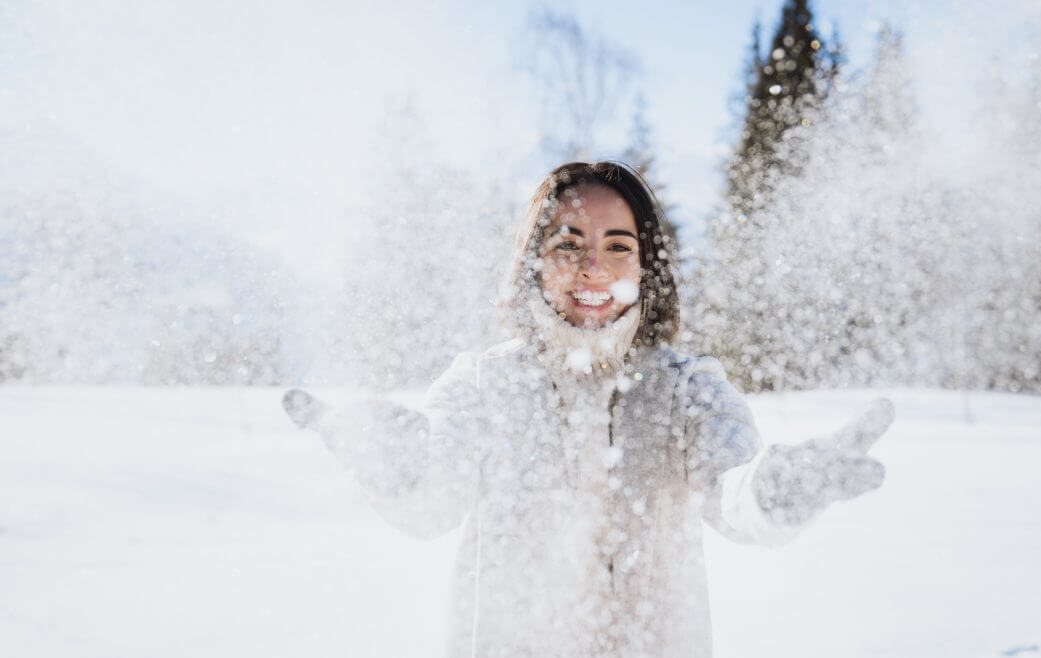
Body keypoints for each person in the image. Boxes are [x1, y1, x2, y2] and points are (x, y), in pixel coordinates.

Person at [282, 160, 893, 658]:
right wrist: (388, 460)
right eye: (567, 242)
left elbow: (733, 492)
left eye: (617, 245)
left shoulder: (687, 389)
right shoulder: (484, 383)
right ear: (535, 261)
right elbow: (427, 502)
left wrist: (776, 491)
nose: (592, 266)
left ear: (646, 265)